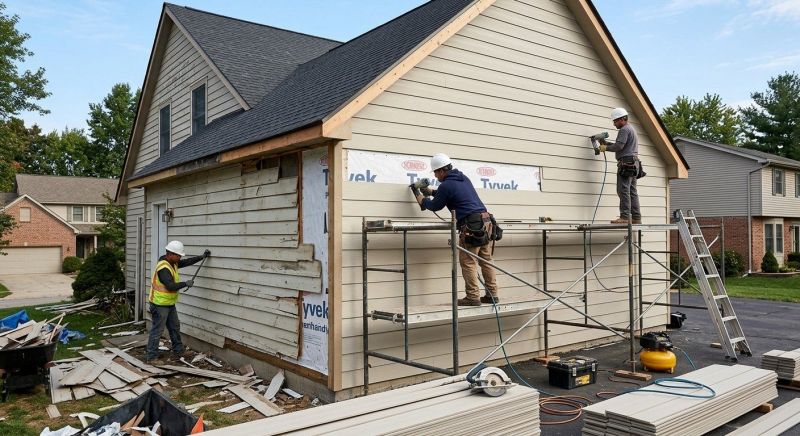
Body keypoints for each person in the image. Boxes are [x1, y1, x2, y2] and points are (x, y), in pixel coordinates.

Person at [412, 153, 499, 306]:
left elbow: (435, 206)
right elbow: (454, 194)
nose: (435, 176)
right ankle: (492, 295)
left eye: (435, 173)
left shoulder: (446, 185)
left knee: (468, 262)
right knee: (486, 261)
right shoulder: (463, 178)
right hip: (485, 222)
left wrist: (421, 198)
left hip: (471, 225)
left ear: (440, 171)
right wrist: (432, 192)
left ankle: (473, 297)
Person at [145, 240, 210, 363]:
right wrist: (185, 283)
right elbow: (170, 286)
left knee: (174, 327)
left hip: (168, 304)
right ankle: (151, 357)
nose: (180, 257)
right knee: (157, 331)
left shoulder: (172, 262)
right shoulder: (164, 268)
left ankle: (178, 352)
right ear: (170, 254)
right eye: (178, 255)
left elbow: (186, 262)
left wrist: (201, 257)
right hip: (159, 305)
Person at [598, 107, 642, 224]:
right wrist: (607, 144)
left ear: (622, 119)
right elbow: (621, 145)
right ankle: (636, 218)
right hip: (634, 163)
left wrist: (605, 148)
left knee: (623, 190)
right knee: (632, 191)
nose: (614, 124)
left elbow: (619, 147)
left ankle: (625, 217)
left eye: (615, 121)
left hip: (626, 163)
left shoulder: (624, 130)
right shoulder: (631, 129)